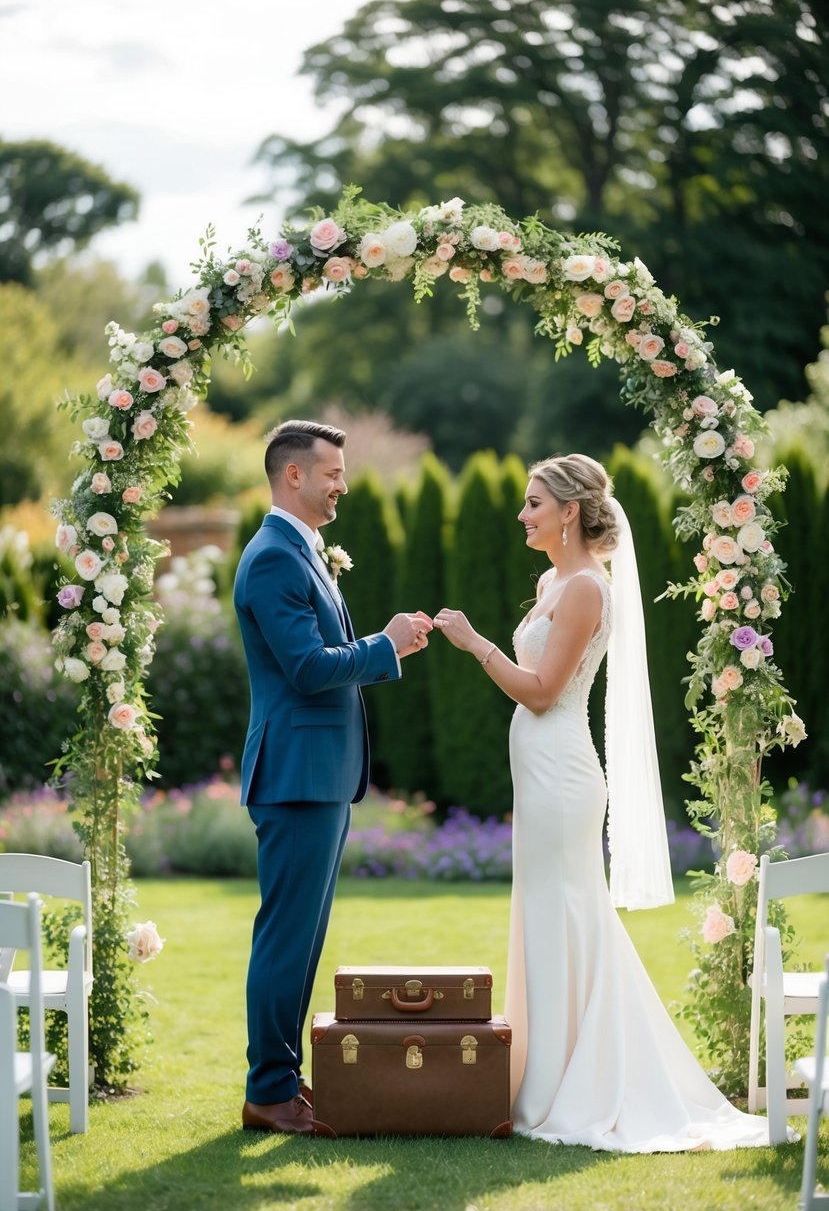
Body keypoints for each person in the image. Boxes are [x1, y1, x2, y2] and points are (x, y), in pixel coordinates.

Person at [434, 452, 784, 1151]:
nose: (521, 514)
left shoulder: (587, 589)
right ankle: (545, 1074)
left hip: (562, 769)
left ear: (568, 511)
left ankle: (582, 1083)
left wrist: (474, 644)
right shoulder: (550, 580)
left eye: (533, 503)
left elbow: (541, 691)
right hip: (537, 773)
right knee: (543, 913)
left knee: (569, 912)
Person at [234, 419, 432, 1135]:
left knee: (303, 937)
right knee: (286, 937)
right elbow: (309, 668)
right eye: (331, 473)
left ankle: (284, 1081)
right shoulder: (273, 560)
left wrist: (380, 643)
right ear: (293, 475)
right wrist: (384, 645)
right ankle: (268, 1091)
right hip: (295, 776)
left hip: (317, 777)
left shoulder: (299, 551)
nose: (342, 484)